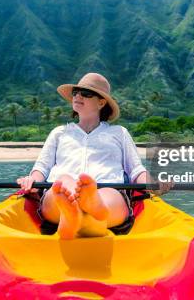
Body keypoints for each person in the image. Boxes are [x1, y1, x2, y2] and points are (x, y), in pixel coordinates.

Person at [17, 72, 163, 239]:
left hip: (108, 192)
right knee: (63, 182)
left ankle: (83, 210)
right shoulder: (59, 133)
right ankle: (76, 211)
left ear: (101, 102)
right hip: (59, 193)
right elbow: (41, 168)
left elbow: (136, 170)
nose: (78, 96)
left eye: (86, 93)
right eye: (75, 92)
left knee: (107, 193)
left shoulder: (119, 133)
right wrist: (32, 180)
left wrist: (152, 184)